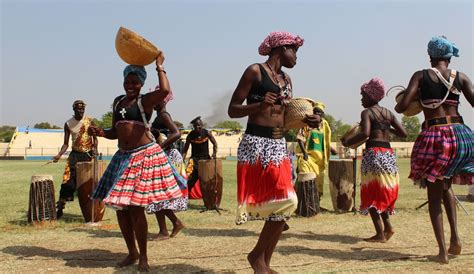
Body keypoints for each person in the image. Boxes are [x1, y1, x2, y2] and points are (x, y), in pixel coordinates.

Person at [89, 55, 185, 271]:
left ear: (141, 84)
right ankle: (132, 252)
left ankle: (143, 256)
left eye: (135, 82)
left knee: (135, 208)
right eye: (127, 82)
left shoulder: (146, 101)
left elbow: (164, 91)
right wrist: (102, 132)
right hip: (122, 157)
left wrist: (160, 67)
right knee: (121, 210)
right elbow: (115, 132)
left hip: (143, 157)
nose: (130, 86)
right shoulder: (118, 102)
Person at [227, 31, 304, 273]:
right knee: (287, 202)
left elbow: (286, 116)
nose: (296, 57)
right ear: (281, 48)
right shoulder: (255, 71)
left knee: (280, 206)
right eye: (295, 51)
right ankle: (256, 257)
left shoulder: (287, 79)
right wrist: (259, 105)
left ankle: (264, 263)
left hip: (279, 145)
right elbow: (232, 110)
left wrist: (306, 120)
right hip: (256, 144)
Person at [395, 36, 474, 264]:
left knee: (434, 192)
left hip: (435, 135)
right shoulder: (461, 77)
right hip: (460, 136)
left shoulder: (420, 75)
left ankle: (442, 252)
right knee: (445, 182)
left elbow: (402, 106)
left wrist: (415, 99)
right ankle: (456, 239)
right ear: (449, 58)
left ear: (430, 57)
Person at [341, 77, 407, 243]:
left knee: (371, 192)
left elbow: (365, 133)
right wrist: (386, 126)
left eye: (363, 95)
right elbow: (403, 133)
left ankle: (380, 234)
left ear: (372, 96)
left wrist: (348, 142)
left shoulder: (367, 112)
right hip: (388, 154)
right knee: (381, 191)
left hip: (374, 154)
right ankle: (388, 228)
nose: (362, 99)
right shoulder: (388, 113)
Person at [150, 89, 186, 240]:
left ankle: (169, 227)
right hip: (164, 155)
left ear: (163, 101)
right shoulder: (159, 116)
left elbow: (176, 133)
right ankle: (167, 227)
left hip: (168, 156)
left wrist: (160, 146)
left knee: (158, 195)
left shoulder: (164, 116)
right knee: (157, 194)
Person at [52, 100, 97, 219]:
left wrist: (95, 150)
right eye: (78, 109)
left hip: (88, 154)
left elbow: (95, 138)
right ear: (74, 109)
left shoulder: (89, 121)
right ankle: (60, 207)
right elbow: (65, 144)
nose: (81, 111)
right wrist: (59, 155)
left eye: (82, 109)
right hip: (75, 155)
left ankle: (91, 210)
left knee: (89, 183)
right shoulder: (68, 123)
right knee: (67, 180)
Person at [296, 102, 337, 197]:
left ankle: (316, 203)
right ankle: (303, 201)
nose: (317, 114)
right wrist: (304, 153)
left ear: (322, 114)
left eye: (320, 113)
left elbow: (324, 141)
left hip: (320, 161)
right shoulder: (306, 124)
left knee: (319, 182)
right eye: (316, 112)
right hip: (308, 158)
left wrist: (330, 149)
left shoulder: (324, 125)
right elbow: (300, 138)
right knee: (306, 178)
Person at [182, 116, 218, 194]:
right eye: (197, 126)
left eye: (200, 125)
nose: (199, 127)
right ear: (194, 127)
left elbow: (215, 143)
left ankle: (209, 199)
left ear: (202, 125)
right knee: (190, 180)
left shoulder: (207, 133)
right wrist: (182, 160)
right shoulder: (190, 135)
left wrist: (214, 154)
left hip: (206, 159)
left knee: (207, 180)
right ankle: (184, 197)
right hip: (194, 160)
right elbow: (185, 149)